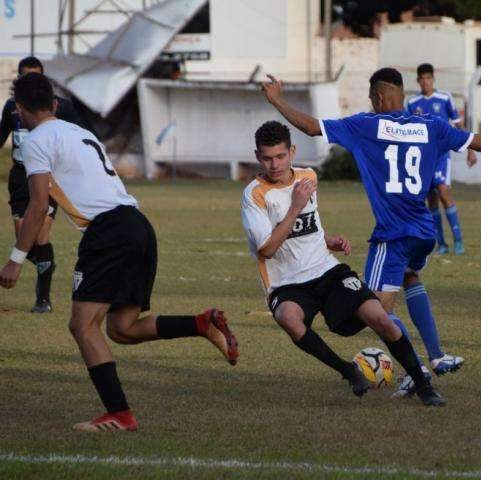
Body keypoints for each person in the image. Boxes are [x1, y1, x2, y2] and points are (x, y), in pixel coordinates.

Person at [260, 67, 481, 394]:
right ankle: (436, 356)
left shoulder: (366, 125)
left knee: (375, 310)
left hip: (393, 235)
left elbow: (311, 126)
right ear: (402, 95)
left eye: (370, 97)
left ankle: (414, 370)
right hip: (424, 232)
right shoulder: (431, 126)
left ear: (377, 97)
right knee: (410, 278)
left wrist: (277, 100)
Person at [0, 72, 239, 432]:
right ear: (54, 105)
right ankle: (201, 323)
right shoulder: (80, 132)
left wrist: (16, 260)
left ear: (19, 110)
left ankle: (120, 413)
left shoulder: (35, 140)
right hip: (137, 225)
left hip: (107, 233)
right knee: (121, 329)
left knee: (82, 325)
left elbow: (36, 206)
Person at [241, 120, 445, 406]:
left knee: (379, 316)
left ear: (292, 151)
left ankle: (423, 385)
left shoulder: (308, 176)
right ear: (257, 156)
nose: (274, 164)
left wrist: (326, 240)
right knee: (288, 318)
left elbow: (308, 225)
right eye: (267, 158)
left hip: (326, 269)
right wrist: (296, 206)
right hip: (286, 282)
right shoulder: (254, 194)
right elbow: (270, 248)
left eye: (280, 156)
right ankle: (349, 371)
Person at [0, 56, 84, 313]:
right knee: (24, 238)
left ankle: (43, 299)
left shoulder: (62, 107)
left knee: (40, 234)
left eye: (33, 75)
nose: (28, 79)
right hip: (19, 176)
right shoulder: (12, 106)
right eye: (24, 75)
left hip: (46, 178)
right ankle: (40, 264)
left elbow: (79, 137)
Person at [405, 63, 477, 255]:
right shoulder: (412, 103)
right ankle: (442, 244)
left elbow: (458, 126)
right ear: (418, 80)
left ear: (433, 79)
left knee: (444, 192)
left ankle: (459, 241)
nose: (426, 82)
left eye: (429, 78)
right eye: (422, 78)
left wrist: (471, 149)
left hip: (442, 155)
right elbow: (408, 133)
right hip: (423, 158)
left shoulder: (445, 98)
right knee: (432, 200)